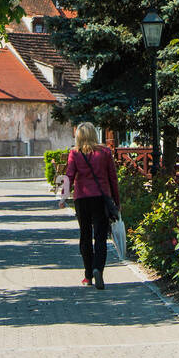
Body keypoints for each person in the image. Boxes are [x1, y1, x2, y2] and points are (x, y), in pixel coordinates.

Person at [63, 122, 120, 290]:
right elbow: (113, 179)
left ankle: (88, 276)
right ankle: (98, 270)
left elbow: (69, 176)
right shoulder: (105, 152)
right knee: (101, 237)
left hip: (82, 199)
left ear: (78, 136)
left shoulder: (74, 153)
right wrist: (116, 202)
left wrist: (63, 197)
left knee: (85, 236)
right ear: (94, 134)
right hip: (101, 198)